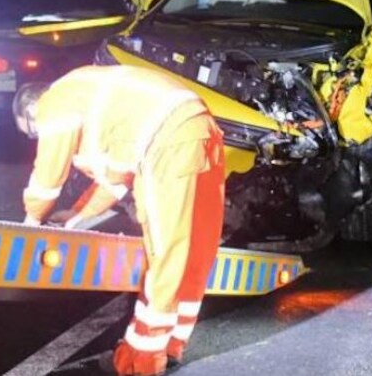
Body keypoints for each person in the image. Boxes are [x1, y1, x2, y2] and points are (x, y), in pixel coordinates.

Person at [13, 64, 226, 376]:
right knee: (193, 248)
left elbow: (48, 174)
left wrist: (32, 220)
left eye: (33, 131)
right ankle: (170, 344)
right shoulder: (100, 100)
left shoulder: (54, 100)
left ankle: (141, 361)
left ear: (33, 108)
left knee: (164, 253)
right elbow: (116, 175)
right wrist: (78, 214)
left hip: (167, 141)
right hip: (201, 129)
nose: (38, 136)